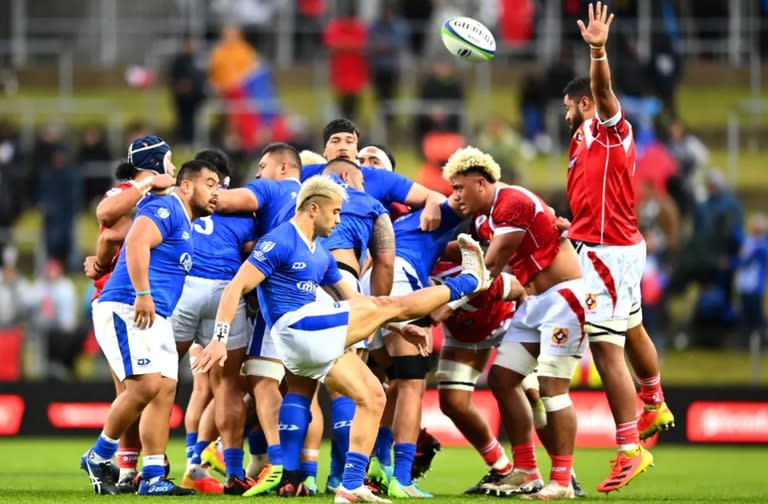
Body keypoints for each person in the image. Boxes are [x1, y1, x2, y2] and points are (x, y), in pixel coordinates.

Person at [193, 175, 491, 503]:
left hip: (310, 339)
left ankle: (350, 487)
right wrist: (219, 339)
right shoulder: (278, 240)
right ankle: (470, 281)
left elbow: (356, 300)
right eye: (335, 213)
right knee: (387, 302)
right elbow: (236, 287)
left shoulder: (319, 253)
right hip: (297, 328)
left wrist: (396, 328)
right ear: (313, 208)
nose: (338, 221)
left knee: (373, 396)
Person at [562, 1, 673, 493]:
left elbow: (603, 90)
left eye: (570, 104)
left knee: (606, 349)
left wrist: (598, 50)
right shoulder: (581, 142)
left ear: (584, 103)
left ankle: (629, 448)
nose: (565, 113)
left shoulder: (609, 128)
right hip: (612, 245)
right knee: (631, 329)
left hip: (608, 254)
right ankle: (655, 402)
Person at [445, 146, 586, 500]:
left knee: (553, 389)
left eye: (460, 187)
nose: (455, 196)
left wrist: (440, 305)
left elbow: (487, 271)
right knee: (503, 378)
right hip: (533, 301)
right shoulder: (483, 219)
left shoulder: (511, 202)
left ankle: (563, 481)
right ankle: (526, 469)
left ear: (480, 183)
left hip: (563, 298)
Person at [80, 159, 219, 496]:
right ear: (186, 186)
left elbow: (119, 236)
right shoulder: (167, 206)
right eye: (211, 183)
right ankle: (98, 456)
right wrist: (143, 293)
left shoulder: (185, 224)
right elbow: (137, 240)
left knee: (165, 391)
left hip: (157, 316)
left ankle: (154, 475)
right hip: (129, 305)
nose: (217, 193)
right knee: (144, 388)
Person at [83, 134, 177, 492]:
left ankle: (139, 470)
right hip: (121, 298)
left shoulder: (160, 199)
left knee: (144, 389)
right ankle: (118, 467)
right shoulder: (125, 191)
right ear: (154, 163)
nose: (172, 165)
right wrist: (102, 262)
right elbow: (107, 222)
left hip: (147, 298)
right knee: (133, 389)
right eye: (167, 160)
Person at [210, 142, 303, 497]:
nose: (258, 173)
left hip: (281, 288)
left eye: (262, 166)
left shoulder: (272, 187)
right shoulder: (316, 195)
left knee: (257, 381)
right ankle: (308, 472)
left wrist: (189, 187)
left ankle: (277, 466)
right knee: (303, 389)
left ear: (282, 168)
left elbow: (224, 200)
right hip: (321, 280)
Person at [172, 148, 255, 495]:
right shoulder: (244, 211)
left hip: (183, 286)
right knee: (228, 387)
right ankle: (234, 472)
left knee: (162, 381)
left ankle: (145, 468)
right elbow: (253, 250)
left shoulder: (180, 203)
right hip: (225, 291)